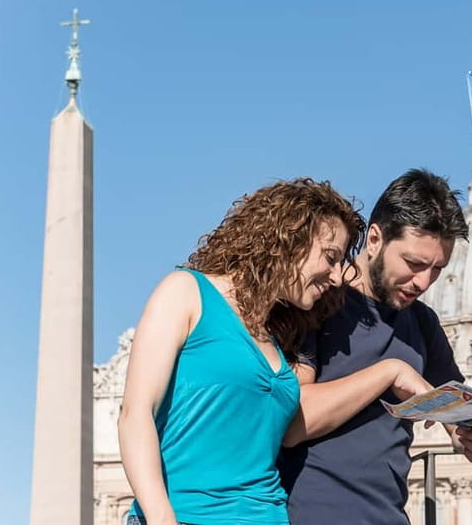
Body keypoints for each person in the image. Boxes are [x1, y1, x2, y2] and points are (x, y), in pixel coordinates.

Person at [118, 178, 365, 525]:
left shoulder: (279, 338)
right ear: (289, 239)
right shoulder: (186, 293)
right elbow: (135, 413)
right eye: (330, 257)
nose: (338, 277)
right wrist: (160, 516)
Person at [279, 169, 472, 525]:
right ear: (375, 239)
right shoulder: (316, 303)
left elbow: (457, 422)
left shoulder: (424, 323)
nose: (424, 282)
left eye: (438, 269)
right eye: (414, 264)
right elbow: (291, 424)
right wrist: (389, 373)